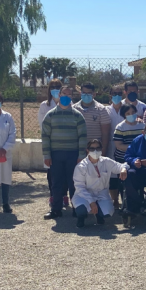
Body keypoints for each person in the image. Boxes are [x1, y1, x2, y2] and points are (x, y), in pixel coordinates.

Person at [41, 84, 88, 220]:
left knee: (74, 182)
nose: (66, 97)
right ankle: (56, 209)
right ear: (59, 95)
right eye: (64, 94)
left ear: (72, 97)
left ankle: (76, 207)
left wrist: (81, 155)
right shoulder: (50, 115)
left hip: (73, 154)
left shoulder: (78, 116)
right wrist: (47, 155)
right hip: (56, 154)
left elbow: (82, 137)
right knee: (56, 182)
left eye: (69, 95)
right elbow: (45, 136)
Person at [72, 140, 128, 228]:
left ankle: (99, 215)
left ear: (102, 149)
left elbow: (121, 165)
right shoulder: (81, 166)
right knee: (81, 209)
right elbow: (79, 187)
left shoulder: (106, 161)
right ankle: (81, 218)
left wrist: (123, 169)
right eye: (92, 148)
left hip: (101, 193)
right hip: (84, 195)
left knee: (108, 212)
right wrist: (91, 201)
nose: (95, 151)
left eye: (98, 148)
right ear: (87, 150)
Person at [39, 80, 67, 209]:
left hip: (65, 143)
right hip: (51, 144)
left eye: (58, 87)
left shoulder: (68, 104)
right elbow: (42, 126)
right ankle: (53, 195)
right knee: (51, 172)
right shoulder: (44, 106)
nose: (55, 89)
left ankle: (64, 195)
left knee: (65, 171)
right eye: (53, 87)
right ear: (49, 90)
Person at [112, 104, 143, 208]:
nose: (131, 115)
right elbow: (118, 145)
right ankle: (126, 203)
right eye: (128, 113)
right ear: (123, 115)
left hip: (139, 158)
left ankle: (140, 201)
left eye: (133, 113)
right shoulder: (120, 127)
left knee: (138, 179)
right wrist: (134, 148)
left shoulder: (142, 125)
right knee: (123, 180)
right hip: (122, 157)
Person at [74, 82, 112, 157]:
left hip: (95, 150)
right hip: (78, 150)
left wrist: (103, 153)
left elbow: (105, 134)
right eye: (84, 93)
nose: (86, 95)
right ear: (80, 93)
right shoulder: (74, 109)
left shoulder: (101, 109)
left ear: (94, 94)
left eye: (89, 93)